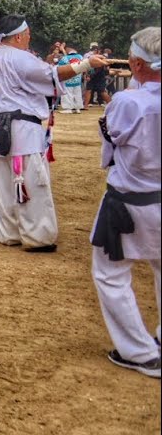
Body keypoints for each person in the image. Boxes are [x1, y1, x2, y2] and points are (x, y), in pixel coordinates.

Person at [0, 15, 108, 252]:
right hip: (21, 127)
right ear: (20, 36)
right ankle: (36, 234)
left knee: (2, 182)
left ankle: (7, 231)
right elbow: (52, 75)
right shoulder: (22, 58)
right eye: (28, 35)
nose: (29, 39)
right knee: (30, 180)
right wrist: (85, 64)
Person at [89, 26, 160, 379]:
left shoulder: (130, 101)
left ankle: (140, 351)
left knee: (111, 273)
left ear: (136, 62)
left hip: (131, 199)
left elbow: (110, 149)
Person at [57, 44, 86, 114]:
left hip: (68, 79)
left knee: (67, 94)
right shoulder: (80, 57)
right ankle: (77, 108)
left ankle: (68, 108)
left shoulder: (65, 58)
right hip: (77, 78)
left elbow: (59, 67)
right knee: (77, 93)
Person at [85, 42, 113, 109]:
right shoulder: (89, 56)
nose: (95, 51)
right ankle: (85, 106)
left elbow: (106, 65)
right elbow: (87, 66)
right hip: (91, 75)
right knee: (88, 90)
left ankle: (112, 105)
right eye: (93, 49)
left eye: (96, 49)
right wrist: (87, 75)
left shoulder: (103, 57)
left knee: (102, 91)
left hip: (100, 75)